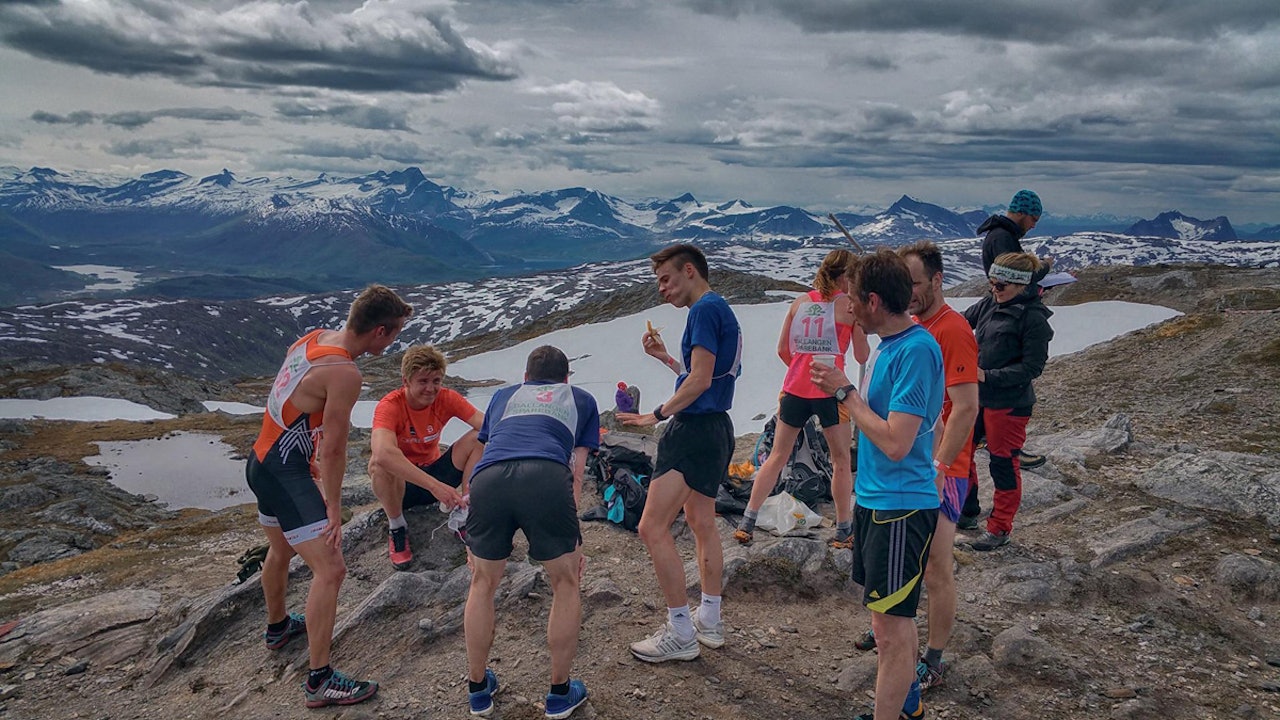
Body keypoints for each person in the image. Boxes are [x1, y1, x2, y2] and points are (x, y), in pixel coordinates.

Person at [245, 284, 411, 708]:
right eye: (392, 334)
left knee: (279, 549)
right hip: (285, 471)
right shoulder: (346, 373)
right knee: (331, 569)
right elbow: (334, 447)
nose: (392, 342)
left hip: (262, 459)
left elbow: (290, 398)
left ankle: (278, 626)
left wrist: (301, 450)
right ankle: (319, 679)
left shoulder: (314, 338)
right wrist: (333, 506)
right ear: (378, 332)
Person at [811, 249, 943, 720]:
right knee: (891, 620)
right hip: (878, 501)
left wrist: (845, 392)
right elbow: (930, 427)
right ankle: (906, 706)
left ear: (872, 300)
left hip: (900, 508)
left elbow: (895, 442)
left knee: (889, 632)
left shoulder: (915, 350)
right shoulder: (893, 346)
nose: (847, 307)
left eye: (851, 297)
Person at [851, 242, 980, 691]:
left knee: (936, 568)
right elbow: (939, 411)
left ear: (935, 281)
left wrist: (943, 464)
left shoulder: (951, 332)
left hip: (938, 469)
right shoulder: (913, 332)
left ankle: (932, 658)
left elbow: (965, 406)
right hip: (920, 465)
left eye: (916, 284)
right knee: (914, 574)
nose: (909, 293)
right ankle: (897, 643)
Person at [617, 243, 741, 663]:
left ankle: (680, 631)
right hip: (717, 429)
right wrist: (668, 359)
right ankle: (709, 619)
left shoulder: (704, 310)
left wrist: (655, 414)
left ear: (690, 271)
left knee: (651, 528)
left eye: (666, 280)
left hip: (693, 432)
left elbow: (701, 381)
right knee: (701, 520)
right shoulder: (718, 309)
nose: (662, 290)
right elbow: (706, 374)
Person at [463, 345, 600, 719]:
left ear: (525, 378)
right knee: (565, 582)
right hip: (546, 476)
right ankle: (559, 693)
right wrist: (573, 539)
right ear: (566, 379)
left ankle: (478, 690)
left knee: (482, 583)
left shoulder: (504, 396)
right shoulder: (582, 400)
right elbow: (576, 469)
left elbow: (488, 447)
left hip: (489, 480)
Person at [733, 249, 869, 548]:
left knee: (778, 456)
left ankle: (748, 520)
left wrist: (801, 368)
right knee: (841, 460)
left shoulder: (801, 302)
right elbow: (862, 355)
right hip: (831, 390)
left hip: (795, 387)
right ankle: (844, 529)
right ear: (844, 277)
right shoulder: (848, 307)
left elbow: (783, 349)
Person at [960, 252, 1054, 551]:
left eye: (1001, 286)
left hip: (1009, 404)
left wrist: (987, 376)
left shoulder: (1034, 319)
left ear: (1021, 285)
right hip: (976, 397)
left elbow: (1032, 368)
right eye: (992, 283)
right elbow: (962, 323)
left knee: (1002, 464)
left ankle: (999, 528)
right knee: (961, 453)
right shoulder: (990, 302)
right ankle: (965, 511)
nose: (994, 290)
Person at [368, 344, 485, 570]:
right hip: (404, 486)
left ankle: (465, 510)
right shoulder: (390, 406)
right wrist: (435, 487)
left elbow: (487, 425)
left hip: (436, 474)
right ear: (406, 381)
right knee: (378, 464)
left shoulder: (446, 398)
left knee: (481, 436)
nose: (431, 389)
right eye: (423, 381)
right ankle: (397, 526)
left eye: (436, 381)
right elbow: (383, 452)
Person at [974, 189, 1048, 472]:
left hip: (998, 391)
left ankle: (1001, 446)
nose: (1034, 225)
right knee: (1002, 460)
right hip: (999, 392)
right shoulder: (1004, 238)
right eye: (1033, 218)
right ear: (1023, 213)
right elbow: (1016, 273)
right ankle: (1004, 448)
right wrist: (1043, 269)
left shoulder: (999, 234)